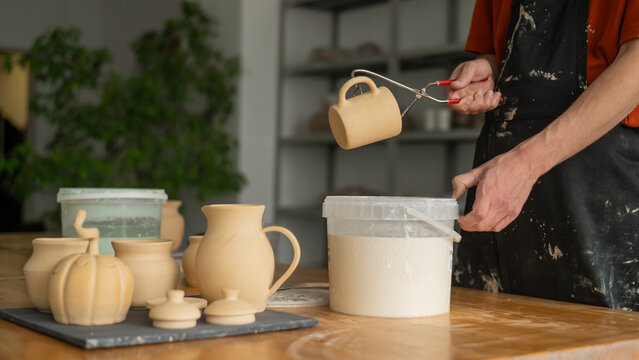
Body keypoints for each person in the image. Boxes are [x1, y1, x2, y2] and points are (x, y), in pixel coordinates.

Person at [446, 0, 639, 310]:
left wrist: (525, 164)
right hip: (499, 178)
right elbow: (495, 52)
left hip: (597, 182)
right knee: (487, 336)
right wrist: (488, 71)